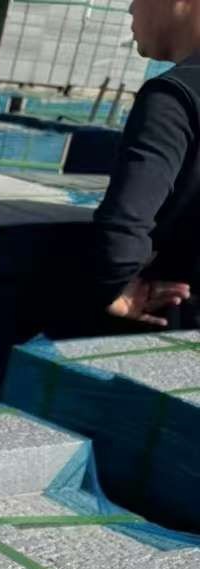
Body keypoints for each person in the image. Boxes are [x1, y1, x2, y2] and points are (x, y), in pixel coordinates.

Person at [93, 0, 200, 328]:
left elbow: (123, 231)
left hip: (179, 323)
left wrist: (113, 289)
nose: (130, 8)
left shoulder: (174, 97)